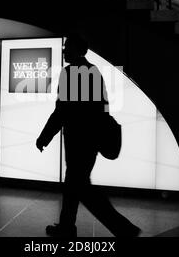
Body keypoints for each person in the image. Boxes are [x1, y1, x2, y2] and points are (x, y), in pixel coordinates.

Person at [36, 33, 141, 237]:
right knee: (74, 185)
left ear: (76, 49)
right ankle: (66, 227)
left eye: (67, 46)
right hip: (90, 142)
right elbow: (100, 108)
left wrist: (44, 137)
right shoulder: (92, 71)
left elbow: (62, 111)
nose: (64, 50)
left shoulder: (72, 73)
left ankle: (124, 229)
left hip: (78, 142)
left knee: (82, 189)